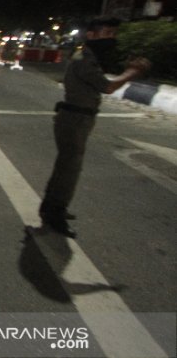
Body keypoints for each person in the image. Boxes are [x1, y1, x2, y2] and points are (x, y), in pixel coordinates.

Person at [39, 18, 151, 238]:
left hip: (77, 117)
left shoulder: (88, 57)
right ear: (91, 35)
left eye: (113, 33)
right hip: (74, 119)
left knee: (66, 166)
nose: (111, 38)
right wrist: (133, 72)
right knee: (69, 168)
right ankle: (54, 214)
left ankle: (52, 207)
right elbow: (107, 87)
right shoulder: (84, 59)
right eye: (107, 33)